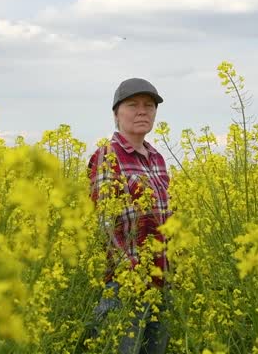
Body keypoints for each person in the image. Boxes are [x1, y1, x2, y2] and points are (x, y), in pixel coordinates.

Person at [86, 77, 172, 354]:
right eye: (133, 105)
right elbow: (103, 221)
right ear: (116, 114)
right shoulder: (106, 156)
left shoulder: (157, 158)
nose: (142, 111)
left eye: (149, 106)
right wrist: (130, 270)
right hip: (126, 285)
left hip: (162, 282)